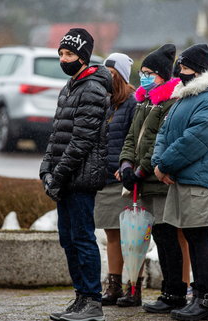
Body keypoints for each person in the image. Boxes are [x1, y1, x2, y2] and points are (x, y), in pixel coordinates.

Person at [40, 28, 112, 321]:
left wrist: (58, 175)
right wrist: (46, 167)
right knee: (68, 239)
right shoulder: (70, 86)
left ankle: (93, 302)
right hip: (65, 177)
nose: (63, 59)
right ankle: (80, 296)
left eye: (69, 54)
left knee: (82, 238)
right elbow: (58, 133)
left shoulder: (93, 88)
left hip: (80, 177)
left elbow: (81, 139)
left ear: (83, 57)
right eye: (61, 53)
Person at [152, 43, 208, 321]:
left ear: (198, 71)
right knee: (192, 238)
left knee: (199, 239)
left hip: (197, 181)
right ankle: (195, 299)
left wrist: (164, 164)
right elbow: (164, 132)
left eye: (184, 68)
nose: (180, 73)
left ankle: (206, 300)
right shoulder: (185, 97)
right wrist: (158, 164)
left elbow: (195, 140)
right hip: (181, 179)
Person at [118, 44, 187, 311]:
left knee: (167, 236)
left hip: (156, 181)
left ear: (162, 75)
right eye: (142, 72)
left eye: (149, 73)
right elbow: (132, 138)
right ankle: (167, 293)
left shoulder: (168, 103)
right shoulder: (144, 102)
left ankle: (174, 292)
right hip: (141, 180)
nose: (144, 77)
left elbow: (159, 142)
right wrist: (126, 164)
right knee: (156, 236)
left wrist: (140, 170)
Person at [92, 53, 136, 306]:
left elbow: (134, 140)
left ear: (119, 74)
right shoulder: (106, 102)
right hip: (105, 178)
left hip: (124, 180)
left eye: (110, 71)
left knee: (131, 236)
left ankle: (133, 287)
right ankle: (114, 286)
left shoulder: (132, 102)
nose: (106, 76)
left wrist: (128, 166)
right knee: (112, 235)